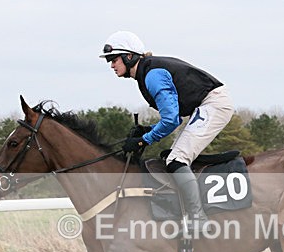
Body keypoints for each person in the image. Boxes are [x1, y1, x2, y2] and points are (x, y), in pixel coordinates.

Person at [99, 31, 234, 232]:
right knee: (173, 156)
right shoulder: (147, 72)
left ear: (129, 57)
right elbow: (175, 118)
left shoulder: (152, 76)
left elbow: (171, 121)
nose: (111, 65)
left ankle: (198, 219)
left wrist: (143, 140)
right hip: (204, 105)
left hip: (213, 104)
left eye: (113, 59)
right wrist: (148, 130)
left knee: (176, 159)